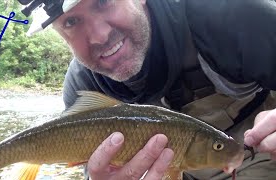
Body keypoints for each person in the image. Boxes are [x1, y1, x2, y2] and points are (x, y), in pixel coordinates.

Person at [27, 0, 276, 179]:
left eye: (102, 2)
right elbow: (89, 166)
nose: (99, 36)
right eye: (71, 21)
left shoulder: (237, 17)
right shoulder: (83, 84)